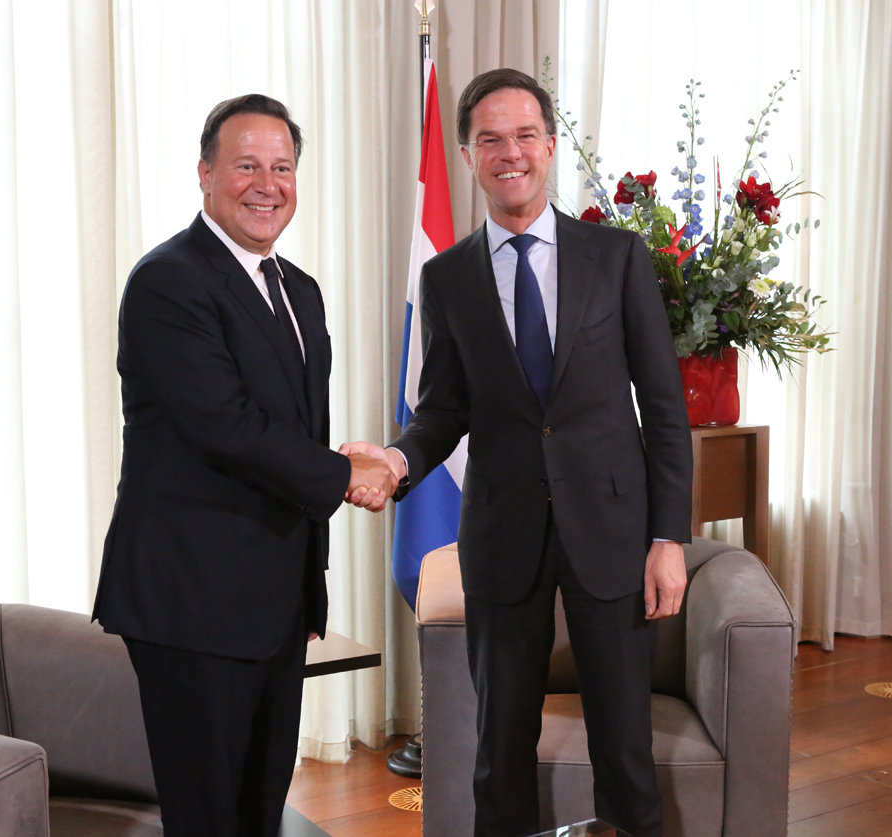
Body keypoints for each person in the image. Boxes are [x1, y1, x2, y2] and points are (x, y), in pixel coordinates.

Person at [344, 68, 693, 837]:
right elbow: (442, 408)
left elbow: (664, 410)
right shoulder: (446, 277)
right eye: (491, 139)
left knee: (624, 747)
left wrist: (668, 537)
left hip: (612, 534)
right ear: (468, 155)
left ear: (550, 145)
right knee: (498, 748)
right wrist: (397, 461)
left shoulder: (618, 257)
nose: (511, 153)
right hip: (501, 537)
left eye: (525, 135)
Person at [92, 94, 397, 837]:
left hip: (271, 598)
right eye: (246, 166)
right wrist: (344, 474)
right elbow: (224, 428)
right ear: (204, 174)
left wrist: (341, 467)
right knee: (207, 816)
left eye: (283, 167)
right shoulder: (168, 281)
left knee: (259, 808)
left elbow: (290, 429)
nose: (267, 184)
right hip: (192, 599)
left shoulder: (299, 288)